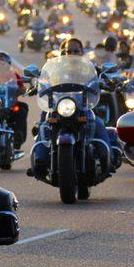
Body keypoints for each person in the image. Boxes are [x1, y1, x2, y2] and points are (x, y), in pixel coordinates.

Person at [30, 38, 118, 176]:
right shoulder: (54, 69)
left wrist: (107, 82)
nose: (71, 53)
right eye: (67, 51)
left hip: (83, 106)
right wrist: (37, 85)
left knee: (98, 123)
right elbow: (43, 80)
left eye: (75, 50)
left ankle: (108, 159)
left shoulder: (89, 68)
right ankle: (40, 160)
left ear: (82, 52)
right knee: (44, 123)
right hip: (60, 106)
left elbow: (102, 78)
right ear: (62, 53)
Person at [0, 51, 29, 152]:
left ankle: (19, 135)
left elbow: (22, 88)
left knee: (22, 108)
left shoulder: (13, 74)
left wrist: (18, 90)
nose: (0, 65)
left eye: (3, 63)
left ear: (7, 64)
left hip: (9, 104)